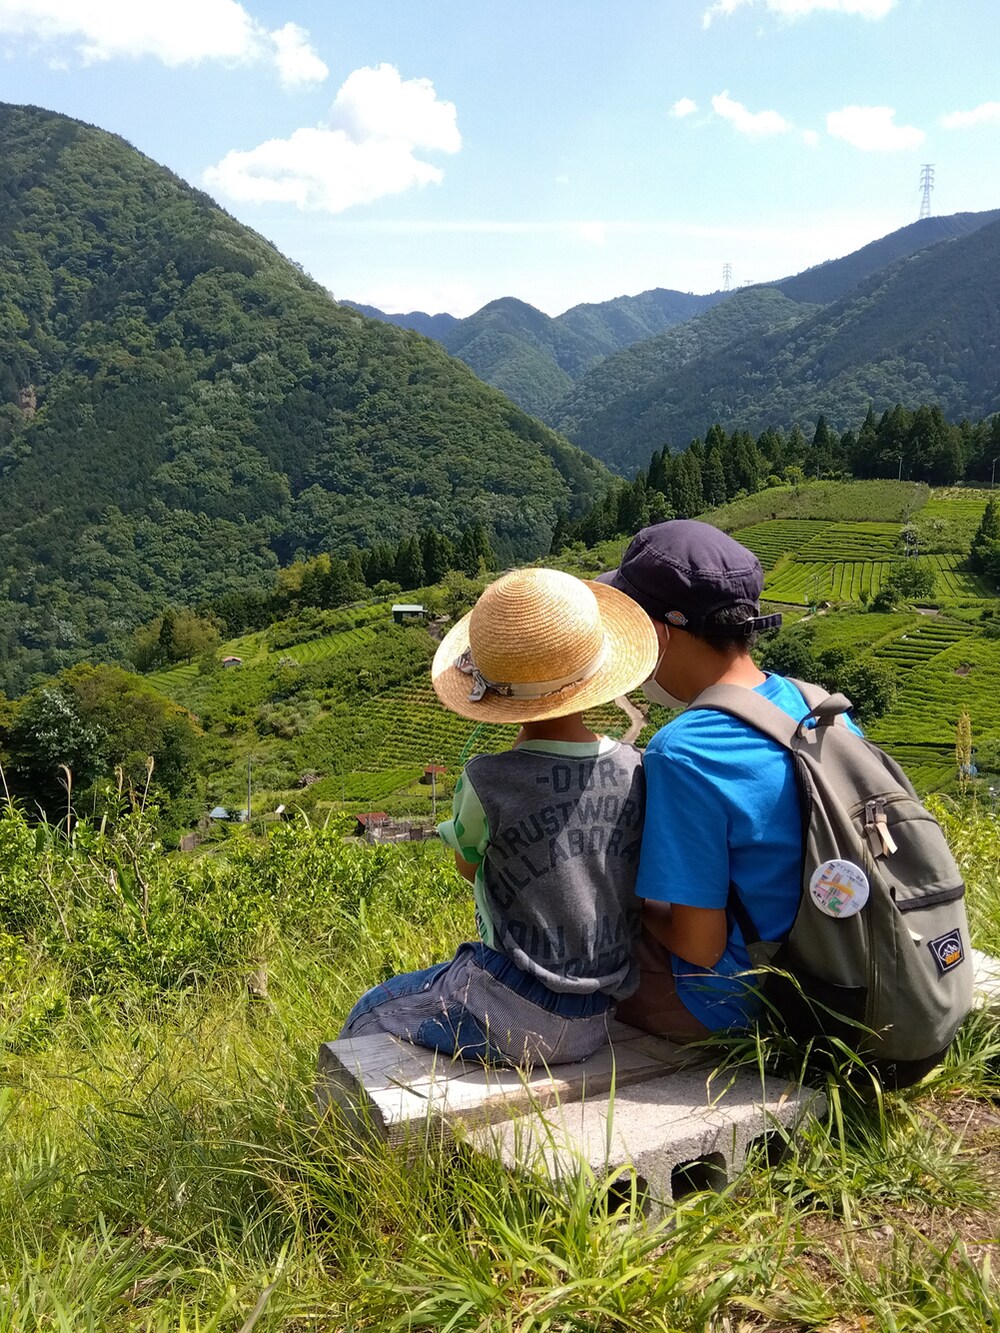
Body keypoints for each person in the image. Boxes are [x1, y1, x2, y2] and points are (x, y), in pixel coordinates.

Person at [339, 566, 659, 1066]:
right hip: (600, 1010)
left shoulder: (487, 780)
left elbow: (470, 868)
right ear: (597, 676)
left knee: (369, 1012)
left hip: (512, 1006)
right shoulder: (634, 768)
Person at [598, 519, 860, 1041]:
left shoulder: (684, 750)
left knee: (586, 947)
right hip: (839, 965)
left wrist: (627, 900)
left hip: (741, 1004)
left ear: (659, 632)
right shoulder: (817, 704)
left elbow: (700, 946)